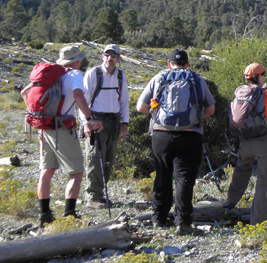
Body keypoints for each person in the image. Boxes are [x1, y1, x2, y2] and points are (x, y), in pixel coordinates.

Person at [136, 49, 215, 234]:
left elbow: (140, 107)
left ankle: (158, 218)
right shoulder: (196, 79)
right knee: (184, 179)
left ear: (169, 63)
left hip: (161, 135)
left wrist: (157, 114)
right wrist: (195, 118)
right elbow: (211, 109)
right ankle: (183, 222)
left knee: (162, 176)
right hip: (190, 135)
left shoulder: (158, 78)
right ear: (187, 64)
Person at [21, 45, 94, 229]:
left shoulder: (50, 74)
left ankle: (44, 215)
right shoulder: (75, 74)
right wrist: (90, 118)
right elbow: (77, 94)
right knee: (76, 172)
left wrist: (37, 114)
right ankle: (70, 215)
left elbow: (24, 93)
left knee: (46, 171)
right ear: (77, 61)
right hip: (62, 127)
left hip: (44, 126)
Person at [223, 63, 267, 224]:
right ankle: (257, 221)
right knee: (265, 180)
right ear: (260, 76)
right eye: (263, 75)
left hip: (244, 141)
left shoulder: (241, 92)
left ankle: (229, 204)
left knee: (241, 171)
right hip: (264, 140)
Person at [82, 44, 129, 207]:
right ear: (102, 56)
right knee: (94, 158)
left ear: (119, 58)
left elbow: (124, 101)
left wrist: (125, 123)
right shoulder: (93, 74)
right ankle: (92, 197)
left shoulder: (121, 76)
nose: (110, 58)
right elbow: (83, 101)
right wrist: (86, 122)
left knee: (109, 159)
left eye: (113, 55)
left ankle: (100, 194)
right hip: (96, 121)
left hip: (114, 122)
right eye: (107, 55)